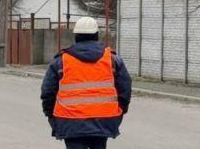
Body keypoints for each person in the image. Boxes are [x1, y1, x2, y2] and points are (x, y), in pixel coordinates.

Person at [41, 17, 132, 149]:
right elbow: (125, 89)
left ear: (76, 36)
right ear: (96, 35)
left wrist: (51, 115)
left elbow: (48, 92)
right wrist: (120, 112)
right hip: (104, 120)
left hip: (70, 122)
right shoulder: (112, 60)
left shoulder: (61, 61)